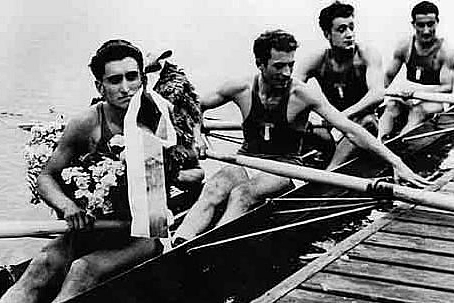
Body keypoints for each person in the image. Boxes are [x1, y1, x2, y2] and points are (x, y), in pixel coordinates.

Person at [172, 29, 429, 245]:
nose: (287, 73)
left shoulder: (301, 94)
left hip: (285, 168)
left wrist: (396, 162)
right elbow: (192, 105)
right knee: (213, 190)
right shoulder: (239, 88)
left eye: (291, 65)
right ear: (260, 64)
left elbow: (352, 130)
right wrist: (196, 135)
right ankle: (178, 245)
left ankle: (212, 249)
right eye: (279, 66)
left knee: (242, 195)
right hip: (246, 159)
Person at [0, 40, 204, 303]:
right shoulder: (87, 123)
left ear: (143, 79)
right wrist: (68, 206)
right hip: (93, 228)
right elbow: (46, 176)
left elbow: (195, 173)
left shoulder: (160, 119)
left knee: (81, 270)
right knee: (40, 267)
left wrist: (165, 175)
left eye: (132, 78)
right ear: (100, 87)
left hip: (143, 234)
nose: (125, 88)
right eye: (114, 80)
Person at [297, 1, 384, 169]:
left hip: (363, 123)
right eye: (342, 30)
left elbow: (378, 94)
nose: (349, 34)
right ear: (327, 34)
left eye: (351, 27)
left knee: (367, 121)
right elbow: (291, 90)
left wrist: (342, 116)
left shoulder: (367, 54)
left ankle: (330, 173)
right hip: (334, 125)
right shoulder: (317, 60)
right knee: (299, 128)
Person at [378, 1, 454, 140]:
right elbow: (388, 77)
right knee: (391, 106)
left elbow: (447, 87)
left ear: (437, 22)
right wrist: (374, 98)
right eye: (421, 25)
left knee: (417, 111)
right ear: (413, 24)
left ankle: (399, 144)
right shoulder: (404, 46)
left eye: (430, 24)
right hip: (410, 94)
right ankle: (379, 142)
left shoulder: (446, 51)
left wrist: (417, 93)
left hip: (434, 98)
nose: (426, 30)